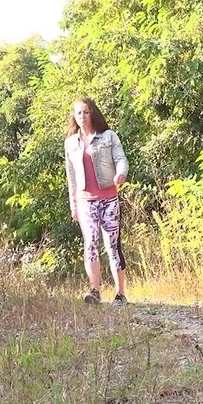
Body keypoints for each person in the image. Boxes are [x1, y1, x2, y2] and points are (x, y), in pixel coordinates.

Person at [64, 97, 129, 305]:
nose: (82, 116)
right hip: (85, 201)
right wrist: (73, 205)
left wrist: (121, 174)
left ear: (92, 113)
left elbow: (121, 159)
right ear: (74, 116)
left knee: (112, 245)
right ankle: (94, 290)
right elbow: (71, 177)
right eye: (78, 113)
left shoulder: (108, 136)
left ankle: (120, 293)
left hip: (108, 198)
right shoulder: (70, 143)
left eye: (86, 112)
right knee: (90, 243)